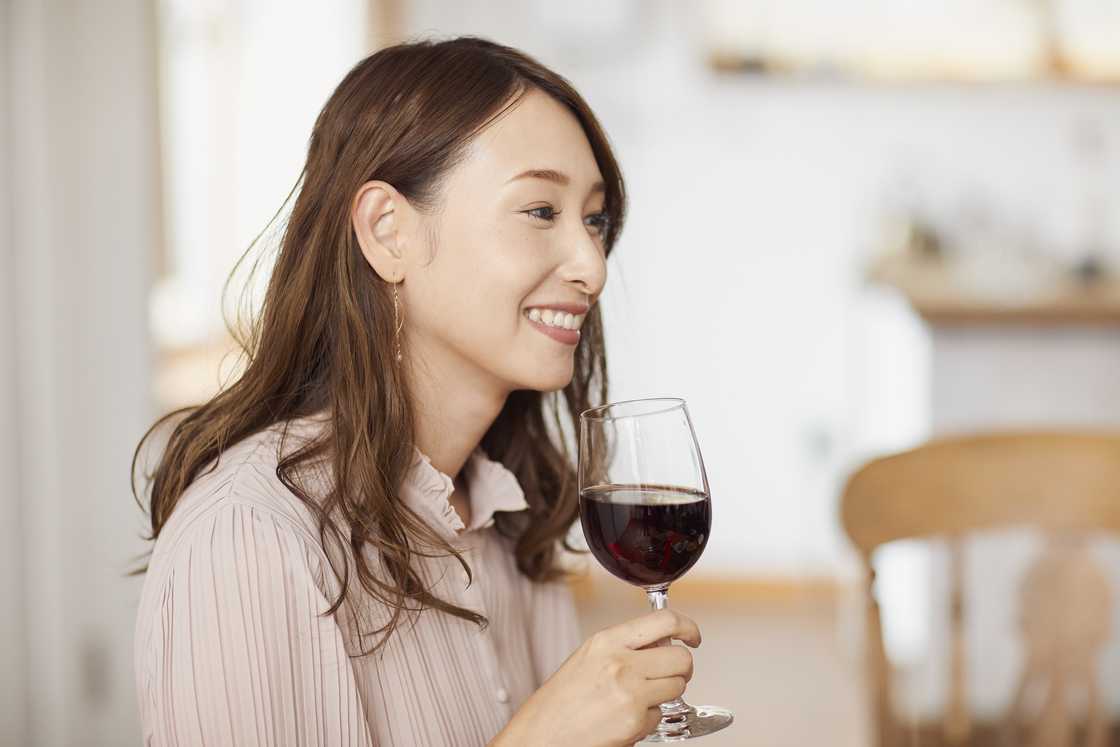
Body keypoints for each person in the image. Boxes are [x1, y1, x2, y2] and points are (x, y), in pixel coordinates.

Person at [132, 36, 700, 747]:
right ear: (387, 231)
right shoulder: (247, 536)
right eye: (539, 211)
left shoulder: (512, 519)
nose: (592, 265)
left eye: (593, 219)